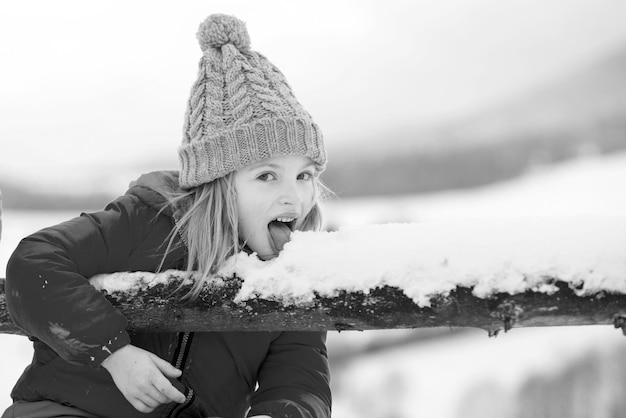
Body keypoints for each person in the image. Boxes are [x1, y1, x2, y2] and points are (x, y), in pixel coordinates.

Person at [3, 14, 331, 418]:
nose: (293, 195)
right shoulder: (152, 218)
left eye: (304, 176)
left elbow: (300, 376)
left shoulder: (298, 271)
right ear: (218, 183)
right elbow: (35, 262)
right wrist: (115, 353)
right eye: (266, 175)